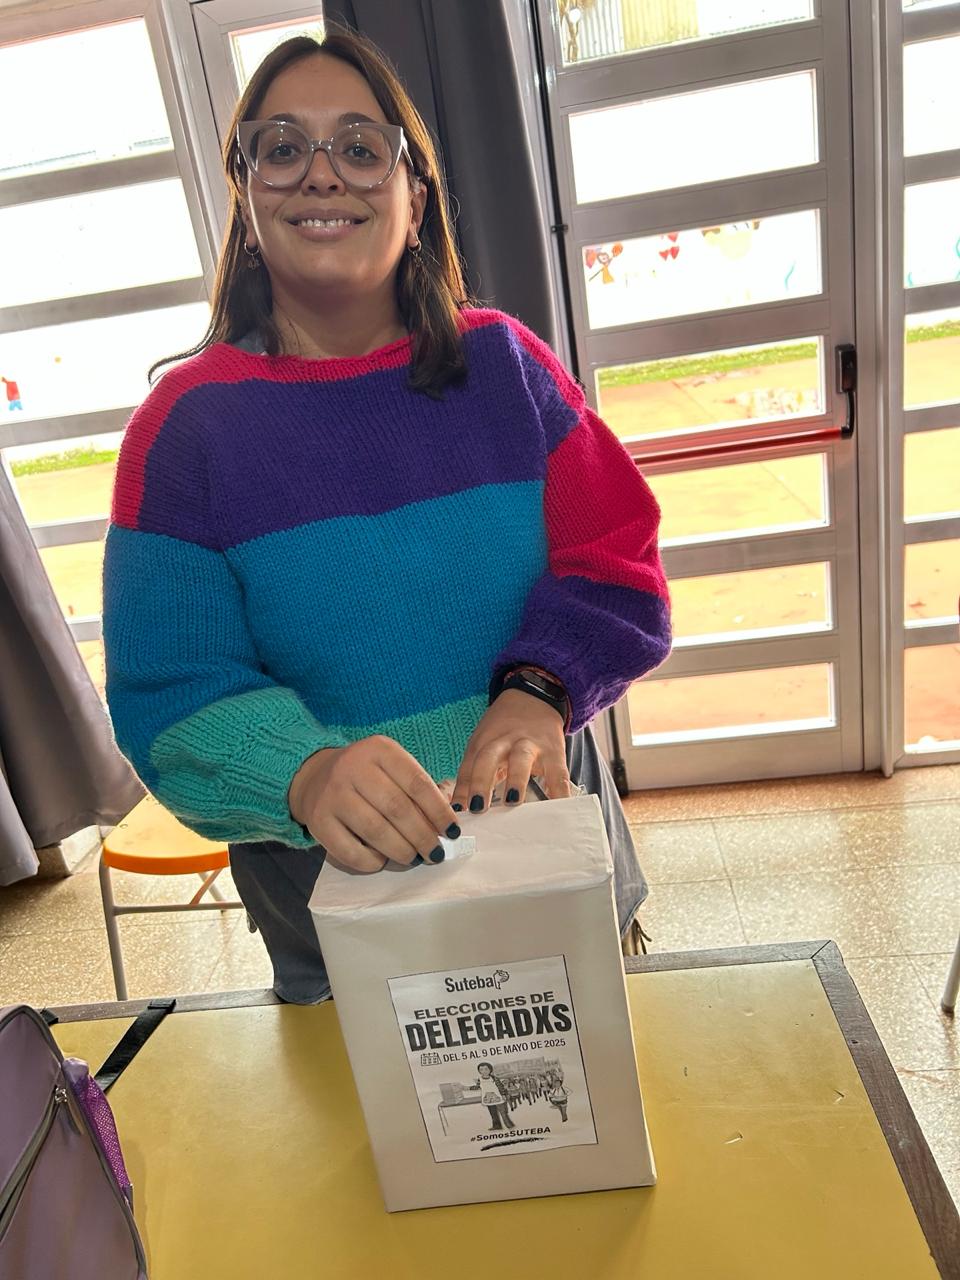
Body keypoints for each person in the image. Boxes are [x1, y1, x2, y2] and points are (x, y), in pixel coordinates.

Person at [102, 28, 671, 1005]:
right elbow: (173, 693)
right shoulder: (182, 434)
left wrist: (536, 689)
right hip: (332, 906)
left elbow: (615, 562)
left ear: (417, 197)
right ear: (246, 200)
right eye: (283, 148)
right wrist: (307, 773)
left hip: (547, 850)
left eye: (362, 147)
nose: (323, 173)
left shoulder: (508, 370)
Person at [467, 1063, 515, 1133]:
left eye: (486, 1069)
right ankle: (497, 1126)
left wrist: (503, 1095)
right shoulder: (479, 1080)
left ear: (490, 1070)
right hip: (488, 1099)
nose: (484, 1071)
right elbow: (477, 1087)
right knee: (493, 1114)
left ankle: (510, 1126)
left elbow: (500, 1087)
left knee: (503, 1113)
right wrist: (468, 1088)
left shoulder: (494, 1078)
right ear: (479, 1071)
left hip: (498, 1098)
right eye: (481, 1069)